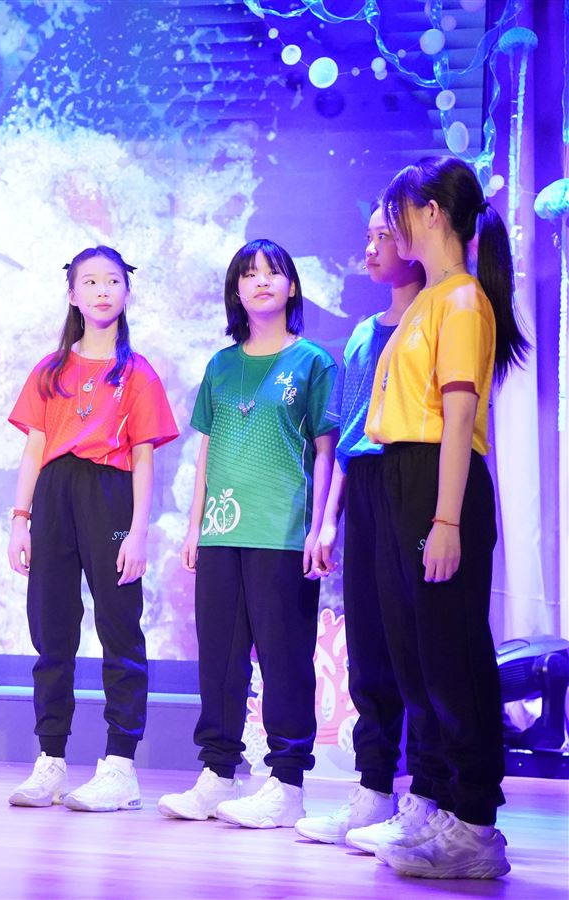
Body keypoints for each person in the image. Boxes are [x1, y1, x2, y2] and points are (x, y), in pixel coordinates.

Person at [346, 156, 529, 879]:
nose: (390, 228)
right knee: (414, 654)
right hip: (401, 475)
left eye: (397, 212)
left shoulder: (461, 300)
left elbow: (458, 418)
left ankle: (476, 824)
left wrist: (447, 519)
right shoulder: (430, 298)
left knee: (452, 654)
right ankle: (437, 801)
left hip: (436, 481)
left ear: (428, 212)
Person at [157, 239, 337, 828]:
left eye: (273, 272)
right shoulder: (220, 365)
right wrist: (193, 525)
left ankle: (287, 783)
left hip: (282, 532)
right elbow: (207, 449)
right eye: (249, 274)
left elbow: (326, 451)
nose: (261, 281)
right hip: (220, 530)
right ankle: (217, 772)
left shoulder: (312, 362)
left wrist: (321, 526)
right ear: (235, 290)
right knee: (220, 660)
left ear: (291, 286)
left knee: (285, 660)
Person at [7, 246, 179, 812]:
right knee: (51, 630)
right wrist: (20, 519)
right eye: (91, 282)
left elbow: (145, 458)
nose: (102, 290)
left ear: (126, 292)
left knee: (119, 628)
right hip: (54, 495)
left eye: (113, 281)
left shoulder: (138, 372)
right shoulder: (50, 370)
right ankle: (51, 760)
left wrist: (139, 532)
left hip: (110, 495)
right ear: (73, 294)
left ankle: (120, 765)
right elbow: (34, 449)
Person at [294, 204, 426, 845]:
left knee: (416, 644)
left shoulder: (438, 317)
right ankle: (374, 790)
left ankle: (428, 796)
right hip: (366, 489)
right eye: (368, 237)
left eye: (384, 236)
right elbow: (348, 435)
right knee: (369, 644)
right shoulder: (361, 335)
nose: (371, 249)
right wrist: (328, 522)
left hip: (414, 480)